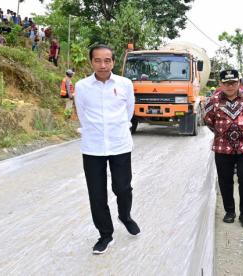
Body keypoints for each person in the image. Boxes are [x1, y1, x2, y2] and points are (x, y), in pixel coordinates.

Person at [74, 44, 140, 255]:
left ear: (113, 61)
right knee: (97, 194)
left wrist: (115, 129)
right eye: (98, 60)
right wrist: (95, 132)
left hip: (120, 144)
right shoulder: (82, 86)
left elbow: (128, 111)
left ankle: (125, 216)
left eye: (107, 61)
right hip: (92, 147)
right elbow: (82, 115)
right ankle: (105, 234)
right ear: (91, 62)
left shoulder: (125, 84)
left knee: (123, 188)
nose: (103, 65)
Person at [204, 69, 243, 228]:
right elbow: (208, 120)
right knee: (225, 180)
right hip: (222, 147)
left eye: (233, 82)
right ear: (220, 83)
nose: (230, 86)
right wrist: (223, 134)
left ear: (239, 82)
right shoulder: (213, 100)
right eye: (226, 83)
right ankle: (230, 211)